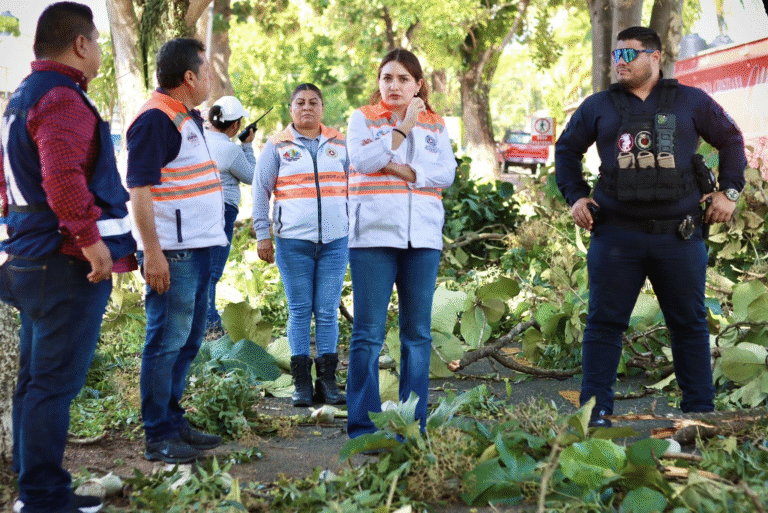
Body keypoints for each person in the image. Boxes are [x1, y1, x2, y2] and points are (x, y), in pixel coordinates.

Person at [555, 26, 747, 427]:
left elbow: (730, 139)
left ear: (654, 57)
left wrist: (729, 191)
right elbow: (567, 149)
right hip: (615, 235)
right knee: (604, 324)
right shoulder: (598, 106)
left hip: (678, 235)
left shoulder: (690, 101)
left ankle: (699, 416)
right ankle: (594, 417)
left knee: (689, 324)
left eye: (629, 55)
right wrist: (575, 196)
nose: (619, 63)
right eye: (615, 55)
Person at [0, 3, 136, 512]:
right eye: (98, 42)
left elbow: (7, 178)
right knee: (51, 387)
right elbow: (61, 178)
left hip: (29, 259)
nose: (100, 52)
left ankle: (31, 491)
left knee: (35, 384)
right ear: (80, 44)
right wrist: (91, 242)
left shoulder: (22, 97)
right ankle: (42, 498)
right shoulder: (60, 97)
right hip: (61, 264)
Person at [345, 49, 457, 438]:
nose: (393, 86)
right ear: (379, 82)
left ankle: (414, 424)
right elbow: (361, 161)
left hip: (423, 238)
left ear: (418, 85)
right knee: (368, 334)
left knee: (417, 334)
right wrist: (402, 129)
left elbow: (446, 174)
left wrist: (402, 168)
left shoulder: (437, 125)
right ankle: (363, 426)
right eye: (387, 78)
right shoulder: (362, 118)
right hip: (372, 238)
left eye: (403, 79)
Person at [127, 37, 227, 463]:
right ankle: (157, 434)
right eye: (206, 72)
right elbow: (139, 190)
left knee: (186, 341)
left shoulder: (185, 116)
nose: (210, 79)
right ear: (189, 77)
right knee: (166, 341)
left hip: (200, 248)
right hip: (175, 253)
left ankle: (172, 418)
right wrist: (152, 253)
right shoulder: (154, 120)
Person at [253, 83, 349, 407]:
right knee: (298, 311)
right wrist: (262, 234)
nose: (307, 107)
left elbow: (357, 188)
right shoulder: (277, 146)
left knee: (326, 312)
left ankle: (327, 382)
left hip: (336, 242)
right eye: (300, 102)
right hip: (293, 242)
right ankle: (301, 384)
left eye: (313, 102)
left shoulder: (340, 143)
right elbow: (259, 190)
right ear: (290, 109)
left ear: (322, 108)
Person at [204, 95, 256, 336]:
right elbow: (254, 176)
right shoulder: (230, 150)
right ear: (235, 125)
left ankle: (204, 322)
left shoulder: (198, 138)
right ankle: (210, 326)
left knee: (201, 268)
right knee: (212, 271)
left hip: (198, 208)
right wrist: (247, 146)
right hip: (222, 210)